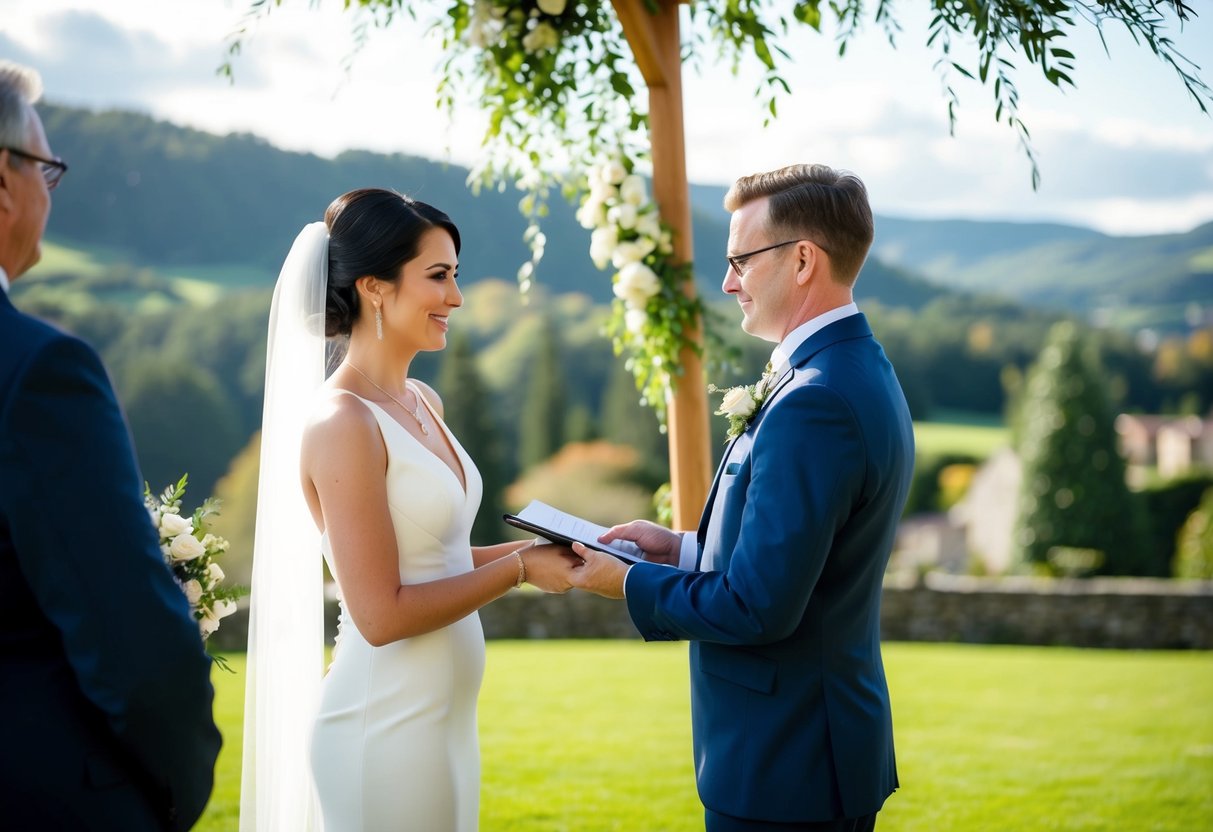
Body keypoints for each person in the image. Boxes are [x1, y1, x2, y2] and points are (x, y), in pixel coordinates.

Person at [568, 164, 915, 831]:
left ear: (804, 259)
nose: (727, 282)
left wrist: (629, 582)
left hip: (785, 764)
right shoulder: (852, 368)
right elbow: (803, 557)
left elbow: (759, 609)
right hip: (805, 750)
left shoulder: (814, 400)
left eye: (740, 260)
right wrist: (682, 548)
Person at [241, 188, 578, 831]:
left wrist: (553, 545)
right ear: (374, 287)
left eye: (456, 275)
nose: (455, 297)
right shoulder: (342, 422)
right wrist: (521, 572)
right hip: (382, 726)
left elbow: (438, 561)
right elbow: (381, 613)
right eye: (438, 276)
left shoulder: (423, 401)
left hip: (444, 724)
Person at [0, 60, 222, 830]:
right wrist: (177, 784)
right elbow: (133, 639)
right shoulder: (36, 371)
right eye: (47, 169)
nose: (48, 192)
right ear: (3, 178)